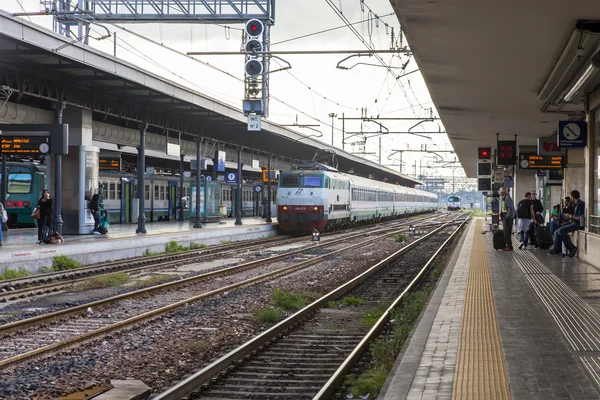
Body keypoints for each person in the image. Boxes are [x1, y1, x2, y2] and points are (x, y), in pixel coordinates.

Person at [549, 190, 585, 257]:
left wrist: (570, 216)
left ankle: (572, 248)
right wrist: (569, 217)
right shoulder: (576, 204)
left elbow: (581, 218)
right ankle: (557, 248)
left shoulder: (580, 204)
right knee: (557, 231)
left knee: (560, 230)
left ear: (572, 197)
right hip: (574, 222)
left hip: (578, 224)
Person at [499, 186, 515, 251]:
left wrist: (506, 217)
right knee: (506, 232)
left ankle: (509, 246)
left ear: (503, 192)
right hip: (505, 216)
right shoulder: (503, 198)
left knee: (507, 232)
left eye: (501, 192)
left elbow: (510, 208)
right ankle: (508, 245)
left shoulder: (507, 198)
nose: (500, 193)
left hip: (507, 217)